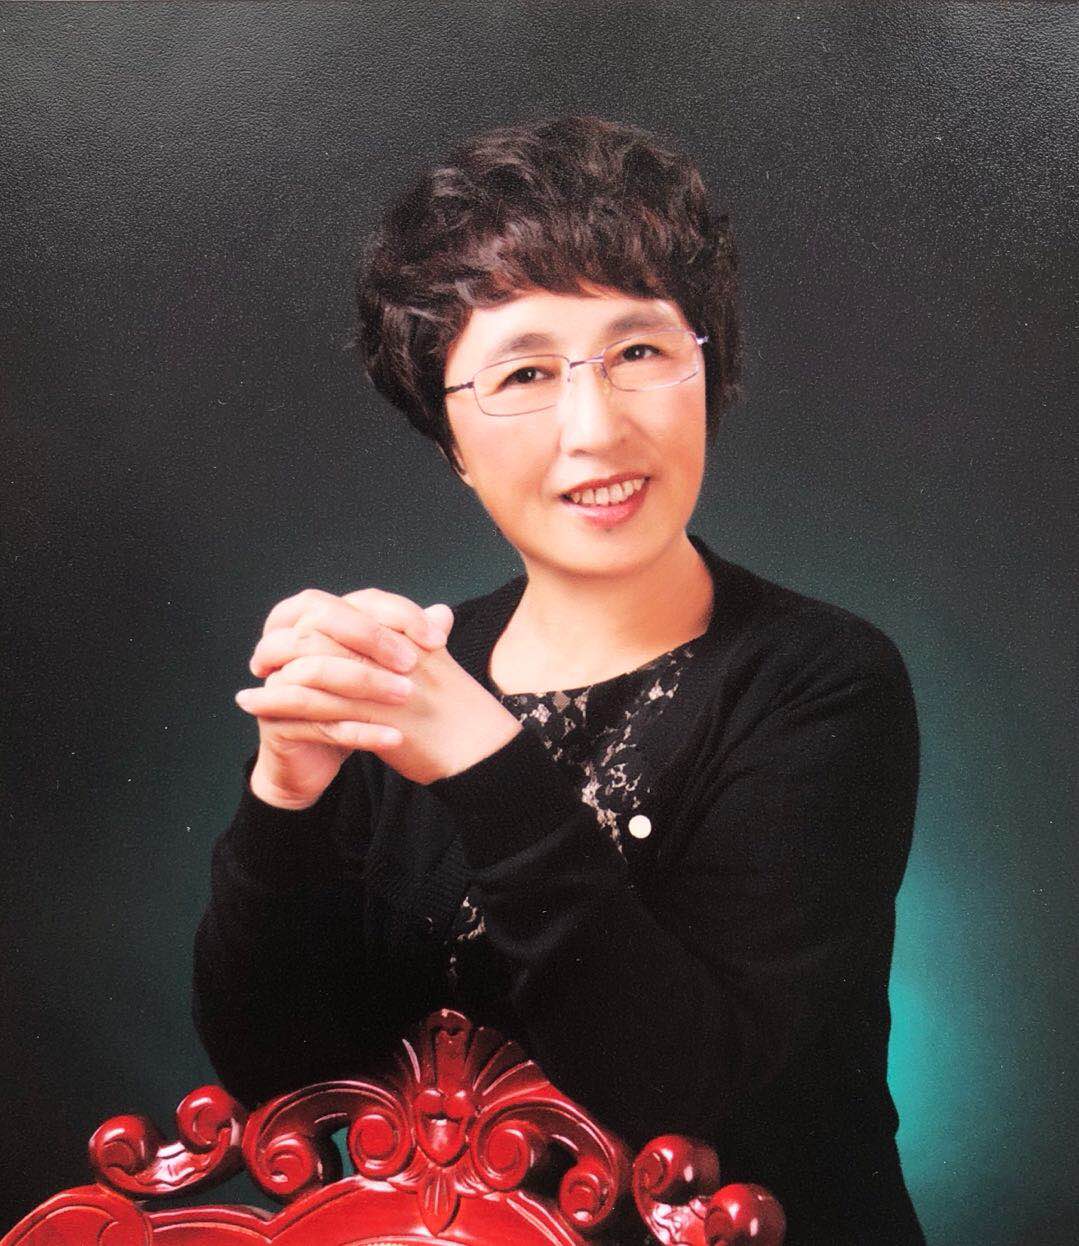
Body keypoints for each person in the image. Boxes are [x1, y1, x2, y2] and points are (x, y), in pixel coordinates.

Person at [191, 114, 925, 1244]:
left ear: (707, 370)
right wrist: (284, 794)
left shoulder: (821, 681)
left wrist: (483, 763)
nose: (596, 428)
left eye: (637, 353)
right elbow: (277, 1076)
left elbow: (683, 1095)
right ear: (450, 442)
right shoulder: (409, 678)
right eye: (524, 373)